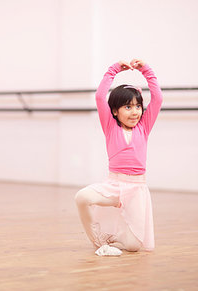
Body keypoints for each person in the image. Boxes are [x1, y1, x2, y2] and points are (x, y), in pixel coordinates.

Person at [74, 59, 163, 256]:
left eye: (137, 107)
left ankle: (118, 236)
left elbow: (157, 99)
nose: (135, 112)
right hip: (114, 186)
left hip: (136, 190)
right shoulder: (110, 127)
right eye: (128, 107)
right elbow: (99, 97)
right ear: (115, 111)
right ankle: (98, 240)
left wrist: (145, 70)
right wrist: (113, 71)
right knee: (82, 197)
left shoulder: (144, 127)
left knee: (133, 246)